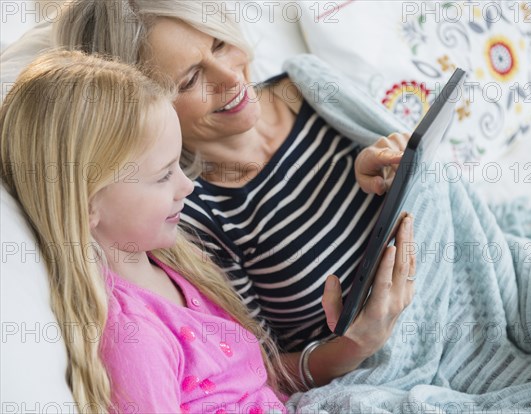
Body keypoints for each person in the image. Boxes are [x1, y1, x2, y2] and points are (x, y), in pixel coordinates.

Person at [54, 0, 417, 390]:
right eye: (191, 80)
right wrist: (354, 347)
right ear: (141, 111)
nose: (230, 78)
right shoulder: (185, 214)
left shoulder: (307, 84)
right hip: (382, 377)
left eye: (219, 44)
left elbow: (440, 196)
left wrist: (396, 174)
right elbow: (257, 372)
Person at [0, 49, 307, 412]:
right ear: (87, 204)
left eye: (178, 165)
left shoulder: (175, 262)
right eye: (163, 175)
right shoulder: (133, 338)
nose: (187, 187)